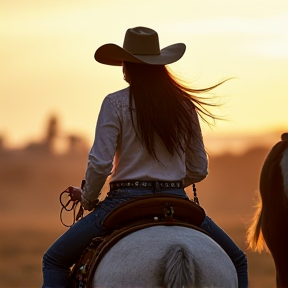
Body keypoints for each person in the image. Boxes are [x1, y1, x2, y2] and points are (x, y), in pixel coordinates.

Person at [42, 26, 248, 288]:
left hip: (124, 201)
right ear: (159, 64)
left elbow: (101, 164)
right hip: (175, 198)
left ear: (127, 66)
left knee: (54, 260)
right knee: (238, 261)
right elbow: (198, 168)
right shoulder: (185, 107)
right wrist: (168, 183)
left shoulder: (115, 103)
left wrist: (88, 199)